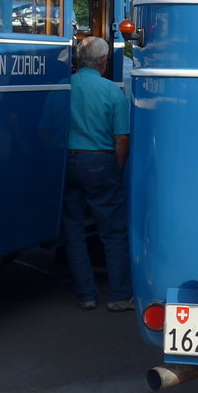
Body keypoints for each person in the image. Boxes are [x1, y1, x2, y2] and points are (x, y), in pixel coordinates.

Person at [63, 36, 134, 311]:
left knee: (74, 231)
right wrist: (116, 167)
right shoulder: (111, 91)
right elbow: (122, 139)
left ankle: (86, 295)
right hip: (102, 162)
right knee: (113, 232)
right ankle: (118, 296)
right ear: (103, 61)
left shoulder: (64, 87)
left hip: (69, 162)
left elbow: (48, 129)